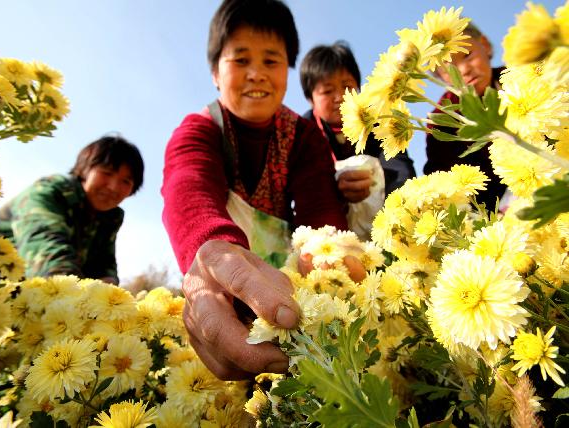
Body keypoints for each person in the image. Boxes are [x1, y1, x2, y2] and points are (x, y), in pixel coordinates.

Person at [162, 0, 362, 380]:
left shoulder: (303, 137)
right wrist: (212, 251)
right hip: (220, 286)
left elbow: (319, 209)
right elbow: (187, 190)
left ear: (287, 70)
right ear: (215, 73)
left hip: (289, 281)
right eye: (240, 60)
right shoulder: (199, 130)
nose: (256, 74)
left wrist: (327, 266)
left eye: (271, 61)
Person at [0, 135, 144, 284]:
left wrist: (110, 297)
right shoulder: (50, 192)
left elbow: (103, 266)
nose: (113, 187)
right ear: (84, 170)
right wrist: (72, 295)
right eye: (107, 173)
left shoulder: (111, 217)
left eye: (125, 181)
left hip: (34, 297)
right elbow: (45, 246)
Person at [300, 41, 416, 198]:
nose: (340, 97)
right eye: (327, 91)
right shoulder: (301, 134)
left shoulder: (380, 120)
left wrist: (398, 204)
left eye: (347, 87)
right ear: (310, 99)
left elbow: (399, 168)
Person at [424, 22, 507, 211]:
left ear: (485, 45)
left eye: (467, 56)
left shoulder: (521, 78)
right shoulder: (441, 122)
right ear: (438, 76)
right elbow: (441, 184)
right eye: (448, 69)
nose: (463, 70)